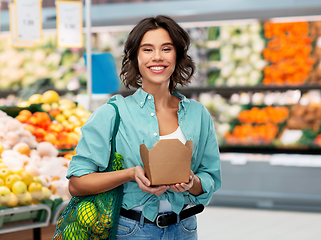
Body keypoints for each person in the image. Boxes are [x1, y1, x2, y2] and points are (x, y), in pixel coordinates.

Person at [67, 15, 221, 239]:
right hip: (132, 230)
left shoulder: (198, 114)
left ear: (177, 55)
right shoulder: (112, 113)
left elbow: (210, 178)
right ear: (135, 57)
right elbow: (77, 183)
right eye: (147, 49)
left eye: (166, 48)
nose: (157, 57)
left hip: (185, 229)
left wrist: (192, 182)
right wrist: (130, 174)